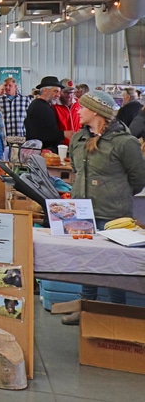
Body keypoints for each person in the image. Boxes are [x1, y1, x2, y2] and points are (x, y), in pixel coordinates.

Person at [62, 90, 145, 325]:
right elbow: (77, 171)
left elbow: (138, 178)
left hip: (112, 214)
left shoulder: (124, 142)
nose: (78, 110)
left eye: (83, 107)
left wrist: (115, 194)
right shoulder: (79, 139)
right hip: (81, 213)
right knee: (85, 264)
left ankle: (115, 313)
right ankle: (86, 309)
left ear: (97, 112)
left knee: (113, 268)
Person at [24, 76, 65, 152]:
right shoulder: (39, 107)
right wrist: (64, 134)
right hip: (43, 152)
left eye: (59, 92)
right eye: (56, 91)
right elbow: (41, 133)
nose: (59, 95)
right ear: (45, 91)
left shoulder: (43, 106)